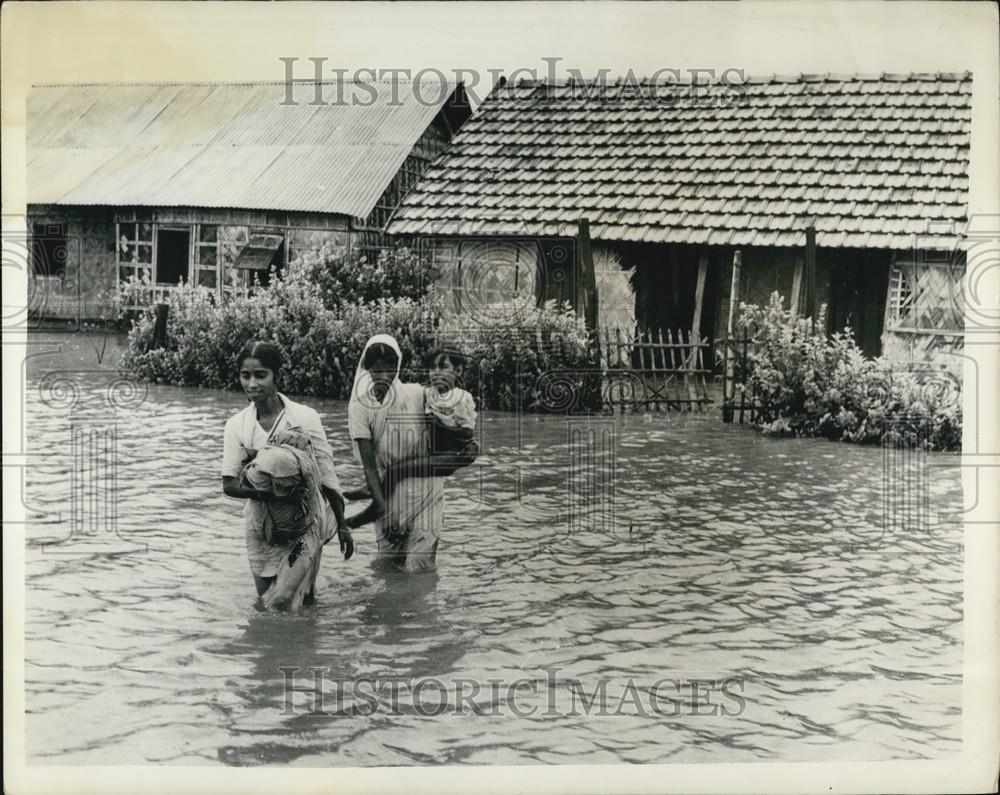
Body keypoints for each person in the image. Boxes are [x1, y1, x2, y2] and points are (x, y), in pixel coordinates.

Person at [222, 341, 352, 610]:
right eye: (245, 376)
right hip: (261, 526)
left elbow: (327, 475)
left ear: (276, 375)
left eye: (260, 375)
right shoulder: (238, 426)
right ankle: (281, 647)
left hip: (303, 524)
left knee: (282, 600)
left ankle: (303, 643)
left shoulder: (304, 418)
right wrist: (269, 490)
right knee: (267, 601)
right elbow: (230, 484)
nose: (252, 384)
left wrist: (342, 525)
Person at [347, 335, 445, 573]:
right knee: (388, 567)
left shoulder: (416, 395)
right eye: (377, 371)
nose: (383, 377)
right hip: (388, 492)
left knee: (419, 569)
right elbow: (369, 466)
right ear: (367, 369)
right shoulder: (360, 407)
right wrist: (384, 511)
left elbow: (446, 422)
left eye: (389, 370)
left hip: (426, 492)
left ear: (398, 367)